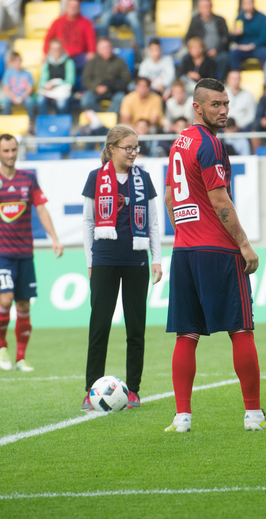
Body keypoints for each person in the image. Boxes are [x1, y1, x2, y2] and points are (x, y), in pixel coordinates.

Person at [163, 78, 266, 433]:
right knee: (241, 329)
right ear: (197, 107)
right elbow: (219, 198)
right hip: (218, 250)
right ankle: (254, 416)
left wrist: (185, 233)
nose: (224, 110)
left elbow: (169, 198)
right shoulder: (210, 144)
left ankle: (182, 418)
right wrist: (244, 243)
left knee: (187, 334)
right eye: (216, 104)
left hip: (184, 251)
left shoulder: (178, 142)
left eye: (226, 103)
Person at [80, 124, 162, 410]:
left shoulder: (144, 178)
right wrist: (90, 262)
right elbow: (88, 223)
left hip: (137, 260)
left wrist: (157, 258)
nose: (133, 153)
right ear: (112, 149)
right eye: (128, 148)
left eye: (136, 148)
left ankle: (134, 391)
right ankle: (91, 390)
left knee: (135, 329)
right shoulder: (96, 177)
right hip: (104, 259)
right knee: (99, 327)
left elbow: (153, 223)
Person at [0, 134, 63, 372]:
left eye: (13, 150)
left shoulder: (28, 178)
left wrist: (54, 238)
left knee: (24, 305)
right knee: (5, 299)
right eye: (6, 150)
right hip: (0, 252)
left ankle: (21, 358)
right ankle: (1, 346)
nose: (10, 154)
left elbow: (42, 209)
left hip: (25, 252)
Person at [44, 0, 96, 72]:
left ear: (79, 8)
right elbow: (48, 38)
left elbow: (91, 39)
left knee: (92, 63)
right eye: (71, 6)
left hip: (79, 55)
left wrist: (91, 52)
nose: (73, 8)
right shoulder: (58, 22)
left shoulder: (85, 22)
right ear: (66, 7)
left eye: (75, 6)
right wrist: (45, 52)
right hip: (60, 55)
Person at [81, 38, 131, 113]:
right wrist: (96, 88)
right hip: (96, 90)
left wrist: (109, 86)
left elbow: (126, 79)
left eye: (108, 47)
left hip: (115, 91)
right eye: (103, 48)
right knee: (86, 100)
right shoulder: (92, 62)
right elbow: (86, 79)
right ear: (98, 50)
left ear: (112, 48)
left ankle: (109, 116)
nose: (107, 50)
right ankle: (99, 117)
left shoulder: (120, 62)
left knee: (121, 98)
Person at [185, 0, 231, 80]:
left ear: (212, 7)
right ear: (199, 8)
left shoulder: (220, 20)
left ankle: (220, 82)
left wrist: (217, 50)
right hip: (200, 53)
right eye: (204, 6)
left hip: (217, 52)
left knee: (225, 57)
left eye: (208, 6)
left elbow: (226, 38)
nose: (206, 8)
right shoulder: (195, 21)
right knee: (185, 58)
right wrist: (197, 50)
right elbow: (188, 38)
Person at [229, 0, 266, 71]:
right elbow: (235, 39)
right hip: (243, 48)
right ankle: (236, 75)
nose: (248, 5)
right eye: (245, 3)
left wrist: (252, 45)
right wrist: (235, 35)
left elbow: (264, 37)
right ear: (242, 5)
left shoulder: (262, 17)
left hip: (258, 47)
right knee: (233, 53)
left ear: (254, 3)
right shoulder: (239, 18)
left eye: (250, 2)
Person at [0, 51, 39, 123]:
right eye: (16, 61)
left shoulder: (27, 73)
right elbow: (6, 89)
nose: (18, 63)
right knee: (5, 103)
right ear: (12, 62)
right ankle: (5, 122)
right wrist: (13, 98)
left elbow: (29, 88)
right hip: (12, 95)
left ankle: (30, 122)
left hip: (24, 95)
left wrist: (22, 97)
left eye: (19, 60)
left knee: (30, 102)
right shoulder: (8, 73)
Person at [37, 38, 75, 116]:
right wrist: (46, 85)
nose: (56, 51)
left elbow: (70, 81)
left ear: (62, 49)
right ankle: (45, 120)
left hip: (63, 91)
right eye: (54, 49)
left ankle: (61, 121)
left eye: (58, 49)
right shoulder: (46, 63)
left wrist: (56, 84)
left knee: (61, 104)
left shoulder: (68, 62)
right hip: (49, 91)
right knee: (40, 100)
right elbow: (42, 81)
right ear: (50, 50)